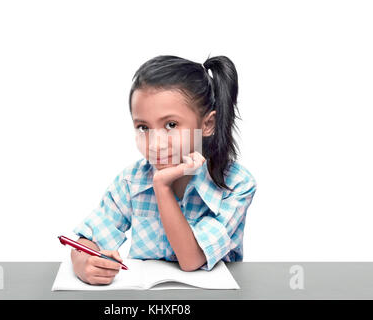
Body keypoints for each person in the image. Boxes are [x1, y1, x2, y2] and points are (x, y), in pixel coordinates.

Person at [71, 55, 257, 285]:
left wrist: (162, 186)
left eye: (171, 125)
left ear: (207, 124)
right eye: (143, 127)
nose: (155, 143)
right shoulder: (131, 181)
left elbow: (191, 260)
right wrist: (83, 262)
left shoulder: (237, 184)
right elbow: (89, 238)